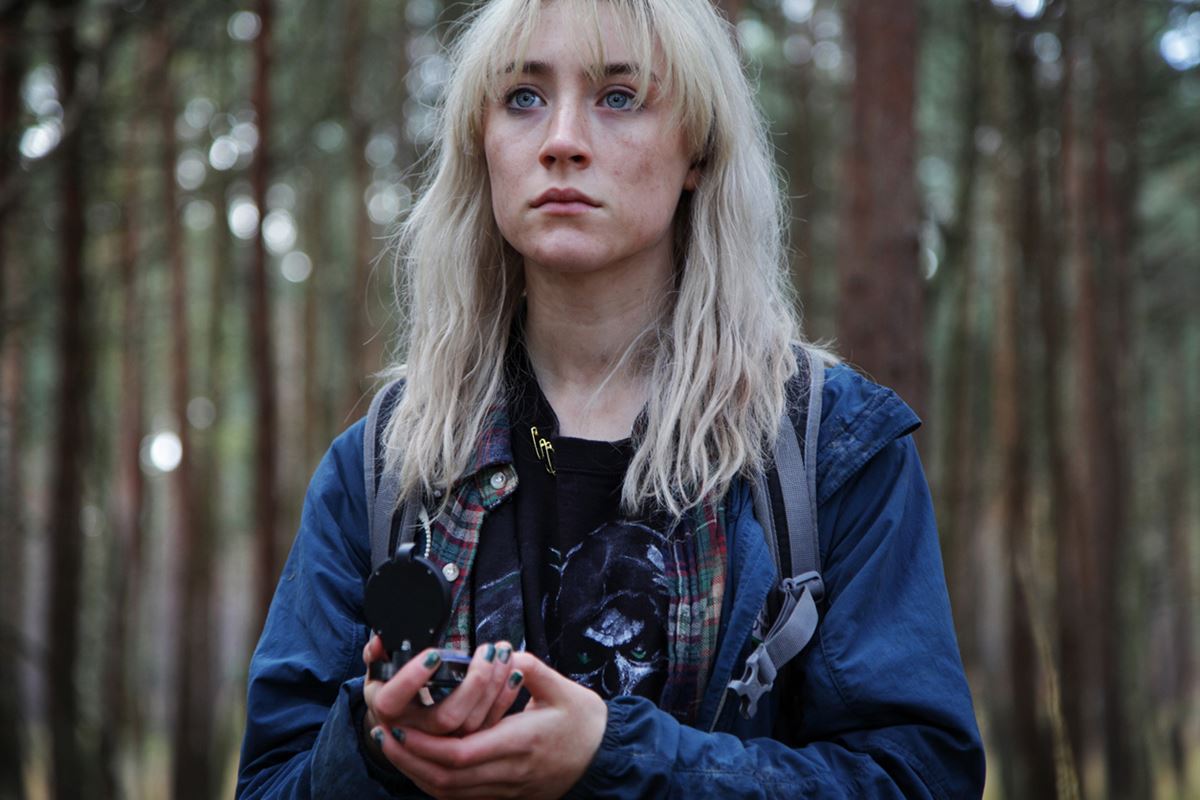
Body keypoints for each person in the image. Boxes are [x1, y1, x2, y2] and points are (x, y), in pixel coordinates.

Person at [237, 0, 986, 796]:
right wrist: (374, 748)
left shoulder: (827, 448)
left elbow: (918, 777)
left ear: (698, 149)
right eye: (523, 97)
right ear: (480, 144)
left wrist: (616, 758)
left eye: (619, 96)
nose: (561, 140)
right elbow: (272, 781)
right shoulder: (387, 463)